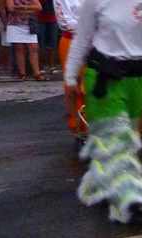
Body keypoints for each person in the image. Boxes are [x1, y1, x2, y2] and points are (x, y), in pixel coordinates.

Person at [65, 0, 142, 225]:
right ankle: (129, 202)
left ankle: (104, 184)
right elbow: (82, 38)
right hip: (104, 76)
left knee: (127, 138)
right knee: (118, 138)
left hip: (137, 78)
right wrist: (71, 74)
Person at [53, 0, 83, 137]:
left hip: (97, 40)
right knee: (73, 84)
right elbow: (65, 23)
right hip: (71, 41)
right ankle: (76, 123)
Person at [5, 0, 45, 81]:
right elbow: (11, 8)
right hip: (15, 24)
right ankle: (22, 73)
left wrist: (23, 7)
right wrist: (30, 9)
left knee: (33, 47)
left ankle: (37, 73)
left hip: (29, 24)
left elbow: (39, 7)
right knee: (19, 48)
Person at [36, 0, 56, 73]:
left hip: (53, 18)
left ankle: (52, 66)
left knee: (52, 43)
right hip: (40, 19)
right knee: (41, 44)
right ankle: (41, 66)